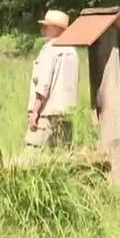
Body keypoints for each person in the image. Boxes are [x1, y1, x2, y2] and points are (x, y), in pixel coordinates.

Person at [26, 10, 78, 150]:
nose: (44, 29)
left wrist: (35, 112)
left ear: (56, 28)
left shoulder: (50, 49)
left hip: (47, 112)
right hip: (66, 111)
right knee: (64, 153)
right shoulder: (72, 51)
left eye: (47, 26)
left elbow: (43, 84)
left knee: (32, 151)